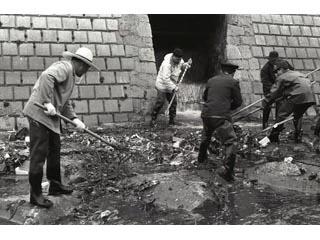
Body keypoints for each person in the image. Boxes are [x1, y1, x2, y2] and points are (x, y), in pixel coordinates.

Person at [23, 47, 100, 208]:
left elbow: (64, 102)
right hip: (39, 114)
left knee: (54, 150)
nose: (86, 71)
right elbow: (46, 76)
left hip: (50, 118)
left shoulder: (71, 76)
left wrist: (74, 119)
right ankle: (35, 195)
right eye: (86, 67)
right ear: (78, 63)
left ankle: (55, 185)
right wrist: (46, 102)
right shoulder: (65, 67)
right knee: (39, 154)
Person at [197, 62, 243, 182]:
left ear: (222, 70)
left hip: (207, 114)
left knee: (206, 137)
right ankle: (227, 171)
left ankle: (201, 160)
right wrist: (227, 108)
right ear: (233, 72)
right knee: (231, 142)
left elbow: (205, 98)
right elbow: (238, 102)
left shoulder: (211, 80)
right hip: (221, 116)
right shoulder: (233, 82)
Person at [262, 59, 315, 143]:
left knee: (281, 114)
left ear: (281, 69)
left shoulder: (282, 77)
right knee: (298, 115)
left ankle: (274, 136)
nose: (276, 74)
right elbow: (288, 90)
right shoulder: (299, 74)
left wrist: (265, 103)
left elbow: (274, 92)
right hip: (310, 98)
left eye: (276, 71)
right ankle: (297, 135)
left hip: (297, 96)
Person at [150, 48, 191, 127]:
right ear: (173, 56)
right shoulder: (167, 65)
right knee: (160, 102)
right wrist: (174, 87)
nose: (179, 61)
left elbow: (181, 66)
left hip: (172, 84)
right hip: (162, 84)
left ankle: (171, 121)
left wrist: (186, 65)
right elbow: (165, 79)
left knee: (173, 103)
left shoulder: (180, 60)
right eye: (177, 59)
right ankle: (153, 119)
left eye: (180, 59)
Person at [260, 51, 294, 129]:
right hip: (269, 88)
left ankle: (278, 125)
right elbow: (265, 82)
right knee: (267, 105)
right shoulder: (265, 69)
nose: (274, 62)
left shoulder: (284, 63)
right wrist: (274, 90)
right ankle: (265, 124)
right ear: (269, 60)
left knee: (280, 105)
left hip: (281, 87)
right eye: (272, 60)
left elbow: (291, 71)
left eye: (275, 60)